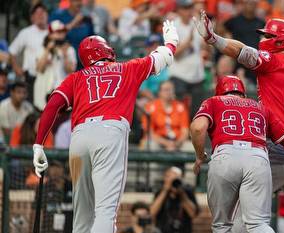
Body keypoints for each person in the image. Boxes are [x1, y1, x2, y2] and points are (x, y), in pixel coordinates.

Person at [193, 11, 284, 232]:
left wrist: (214, 39)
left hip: (281, 145)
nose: (262, 40)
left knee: (244, 218)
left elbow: (242, 52)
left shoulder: (275, 61)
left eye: (267, 36)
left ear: (280, 40)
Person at [32, 20, 179, 233]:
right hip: (110, 132)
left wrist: (38, 144)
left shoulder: (76, 77)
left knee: (81, 214)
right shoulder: (127, 68)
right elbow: (164, 57)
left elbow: (52, 106)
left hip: (79, 137)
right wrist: (171, 41)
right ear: (106, 50)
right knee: (105, 211)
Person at [190, 75, 284, 233]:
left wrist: (199, 156)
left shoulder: (213, 101)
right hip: (258, 158)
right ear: (243, 93)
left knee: (222, 225)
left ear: (219, 92)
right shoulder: (261, 107)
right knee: (258, 224)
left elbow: (198, 128)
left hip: (225, 156)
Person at [168, 0, 205, 118]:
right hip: (179, 75)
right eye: (185, 8)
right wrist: (187, 42)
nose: (188, 11)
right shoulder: (173, 26)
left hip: (197, 75)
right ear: (178, 10)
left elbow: (204, 46)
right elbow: (173, 53)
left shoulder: (196, 24)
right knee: (178, 110)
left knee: (197, 112)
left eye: (190, 7)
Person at [9, 3, 48, 103]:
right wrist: (16, 68)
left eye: (42, 13)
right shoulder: (26, 32)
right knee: (31, 104)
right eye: (37, 13)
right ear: (32, 17)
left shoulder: (52, 32)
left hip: (48, 77)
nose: (40, 16)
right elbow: (12, 50)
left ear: (47, 15)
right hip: (31, 77)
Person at [35, 20, 77, 110]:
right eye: (57, 32)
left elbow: (71, 70)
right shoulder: (42, 48)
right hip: (44, 91)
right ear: (50, 34)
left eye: (62, 32)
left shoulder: (69, 49)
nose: (61, 35)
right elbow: (39, 68)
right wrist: (47, 50)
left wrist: (65, 54)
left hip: (61, 91)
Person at [141, 81, 190, 151]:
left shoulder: (181, 107)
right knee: (151, 145)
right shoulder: (150, 107)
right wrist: (166, 143)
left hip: (177, 141)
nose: (169, 92)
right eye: (166, 90)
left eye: (171, 89)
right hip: (158, 140)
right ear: (159, 92)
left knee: (190, 147)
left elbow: (185, 131)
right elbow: (149, 132)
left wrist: (176, 143)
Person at [150, 166, 199, 233]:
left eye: (176, 178)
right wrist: (165, 190)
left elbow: (192, 214)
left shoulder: (187, 192)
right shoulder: (160, 192)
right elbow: (152, 212)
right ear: (165, 179)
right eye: (169, 177)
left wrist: (182, 195)